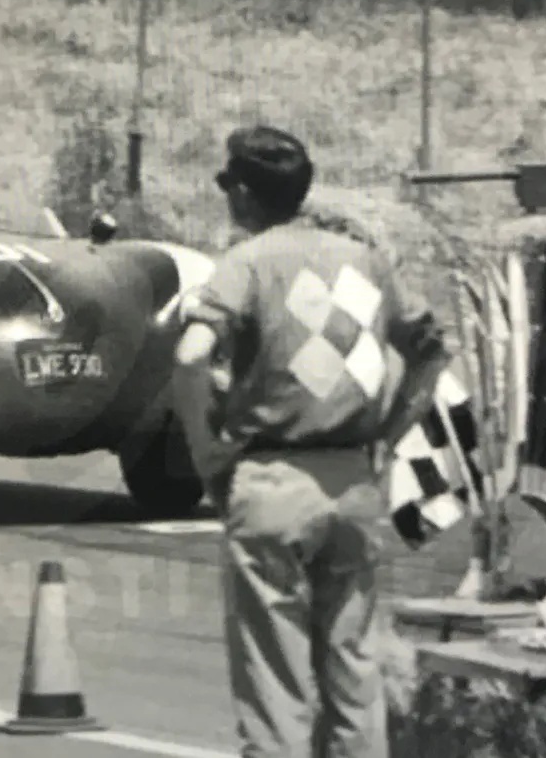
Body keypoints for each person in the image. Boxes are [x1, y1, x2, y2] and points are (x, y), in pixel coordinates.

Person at [170, 125, 424, 758]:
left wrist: (205, 449)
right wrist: (391, 431)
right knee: (353, 667)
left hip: (273, 478)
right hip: (353, 479)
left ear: (245, 194)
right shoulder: (365, 260)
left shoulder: (248, 261)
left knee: (273, 677)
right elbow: (430, 348)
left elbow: (191, 355)